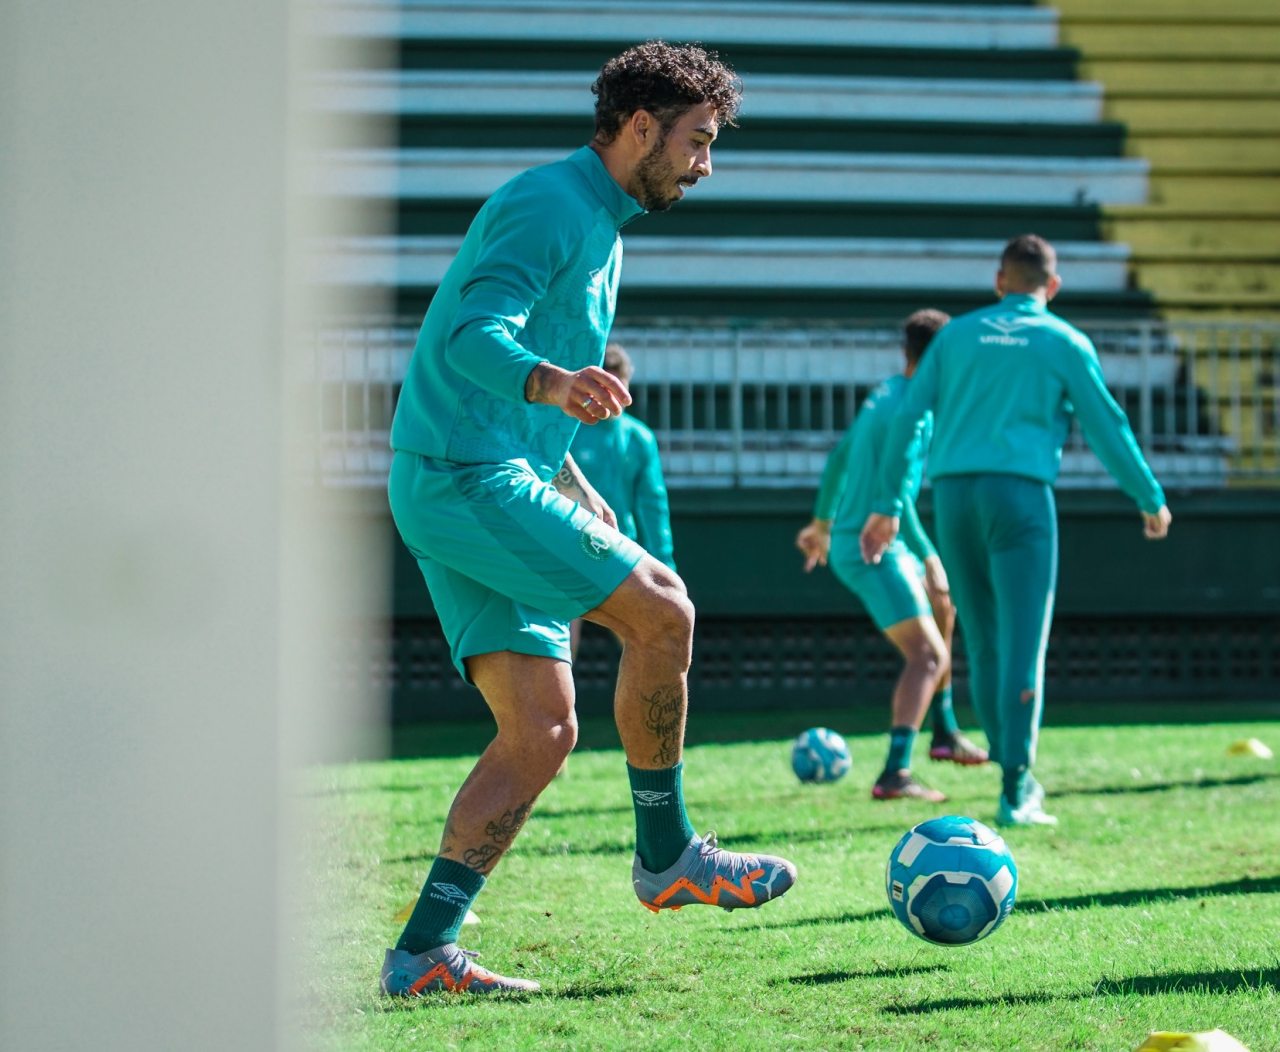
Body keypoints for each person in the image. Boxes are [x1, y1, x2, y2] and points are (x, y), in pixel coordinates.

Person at [381, 41, 795, 998]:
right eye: (697, 141)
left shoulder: (596, 219)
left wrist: (564, 469)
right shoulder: (550, 203)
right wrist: (552, 383)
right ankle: (669, 856)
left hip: (480, 469)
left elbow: (523, 363)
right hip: (463, 476)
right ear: (641, 127)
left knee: (541, 732)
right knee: (664, 610)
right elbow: (474, 335)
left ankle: (419, 958)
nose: (705, 164)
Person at [860, 235, 1172, 828]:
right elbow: (1107, 423)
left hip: (953, 497)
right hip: (1021, 497)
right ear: (1051, 287)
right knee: (1024, 645)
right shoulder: (1062, 340)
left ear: (999, 281)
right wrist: (1147, 495)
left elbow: (908, 414)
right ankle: (1015, 785)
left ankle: (1008, 769)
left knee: (983, 640)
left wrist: (887, 504)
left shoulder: (955, 336)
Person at [795, 309, 988, 805]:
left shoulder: (885, 393)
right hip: (871, 545)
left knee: (944, 606)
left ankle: (943, 732)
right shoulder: (916, 408)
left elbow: (841, 459)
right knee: (927, 655)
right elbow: (896, 491)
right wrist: (915, 543)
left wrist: (821, 522)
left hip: (866, 536)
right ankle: (895, 773)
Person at [569, 340, 677, 660]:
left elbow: (653, 506)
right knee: (559, 648)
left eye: (620, 384)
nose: (612, 394)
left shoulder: (640, 438)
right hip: (565, 550)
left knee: (643, 642)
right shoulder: (567, 433)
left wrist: (665, 569)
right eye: (606, 384)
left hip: (621, 552)